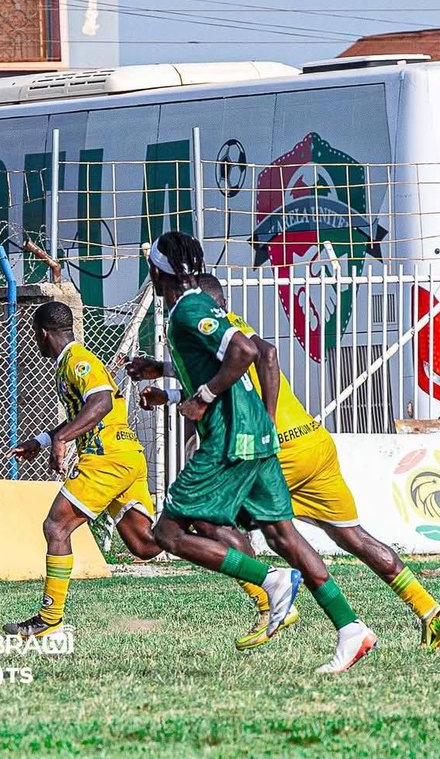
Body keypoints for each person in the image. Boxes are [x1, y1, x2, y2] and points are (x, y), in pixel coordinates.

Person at [138, 274, 440, 649]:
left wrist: (267, 425)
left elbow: (263, 356)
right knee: (352, 536)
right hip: (312, 441)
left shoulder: (221, 333)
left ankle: (268, 600)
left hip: (277, 450)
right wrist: (166, 379)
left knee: (206, 523)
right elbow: (230, 378)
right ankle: (430, 609)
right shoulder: (233, 333)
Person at [131, 230, 377, 674]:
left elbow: (247, 351)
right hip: (257, 436)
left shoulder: (187, 308)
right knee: (284, 536)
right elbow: (229, 353)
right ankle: (350, 628)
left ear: (154, 271)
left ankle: (270, 580)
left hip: (230, 438)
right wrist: (165, 369)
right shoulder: (200, 305)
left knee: (167, 534)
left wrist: (202, 396)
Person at [7, 301, 301, 640]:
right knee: (146, 544)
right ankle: (267, 598)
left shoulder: (79, 360)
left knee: (56, 526)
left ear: (42, 335)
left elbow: (101, 403)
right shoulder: (70, 363)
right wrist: (44, 440)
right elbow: (86, 409)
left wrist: (61, 439)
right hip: (123, 456)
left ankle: (49, 620)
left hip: (108, 459)